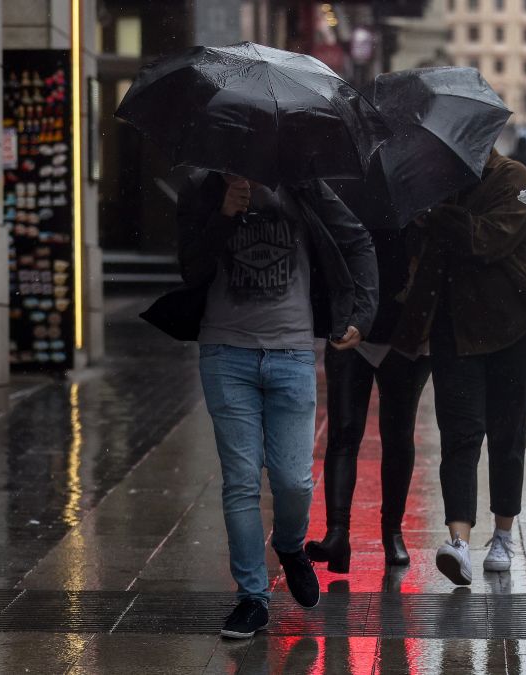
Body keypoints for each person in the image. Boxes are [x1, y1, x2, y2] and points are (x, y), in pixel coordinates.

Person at [151, 170, 377, 639]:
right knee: (240, 481)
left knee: (294, 481)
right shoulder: (203, 189)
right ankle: (251, 596)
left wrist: (362, 314)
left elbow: (357, 240)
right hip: (225, 353)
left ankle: (290, 546)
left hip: (291, 352)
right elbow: (190, 268)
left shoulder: (303, 183)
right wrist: (223, 217)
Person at [391, 148, 526, 586]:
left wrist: (436, 214)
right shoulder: (440, 185)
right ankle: (458, 541)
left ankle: (502, 535)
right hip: (455, 330)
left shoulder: (512, 177)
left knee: (507, 435)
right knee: (460, 436)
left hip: (514, 330)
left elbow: (487, 239)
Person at [306, 227, 431, 572]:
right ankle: (338, 533)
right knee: (344, 431)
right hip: (351, 324)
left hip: (405, 330)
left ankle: (392, 531)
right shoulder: (345, 187)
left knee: (398, 435)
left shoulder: (421, 190)